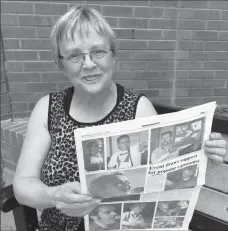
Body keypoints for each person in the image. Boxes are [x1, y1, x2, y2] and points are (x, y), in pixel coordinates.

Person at [12, 4, 227, 231]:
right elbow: (22, 185)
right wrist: (53, 195)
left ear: (113, 55)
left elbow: (163, 181)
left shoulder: (139, 109)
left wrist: (202, 163)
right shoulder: (47, 109)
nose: (89, 64)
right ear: (61, 63)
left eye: (98, 51)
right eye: (75, 55)